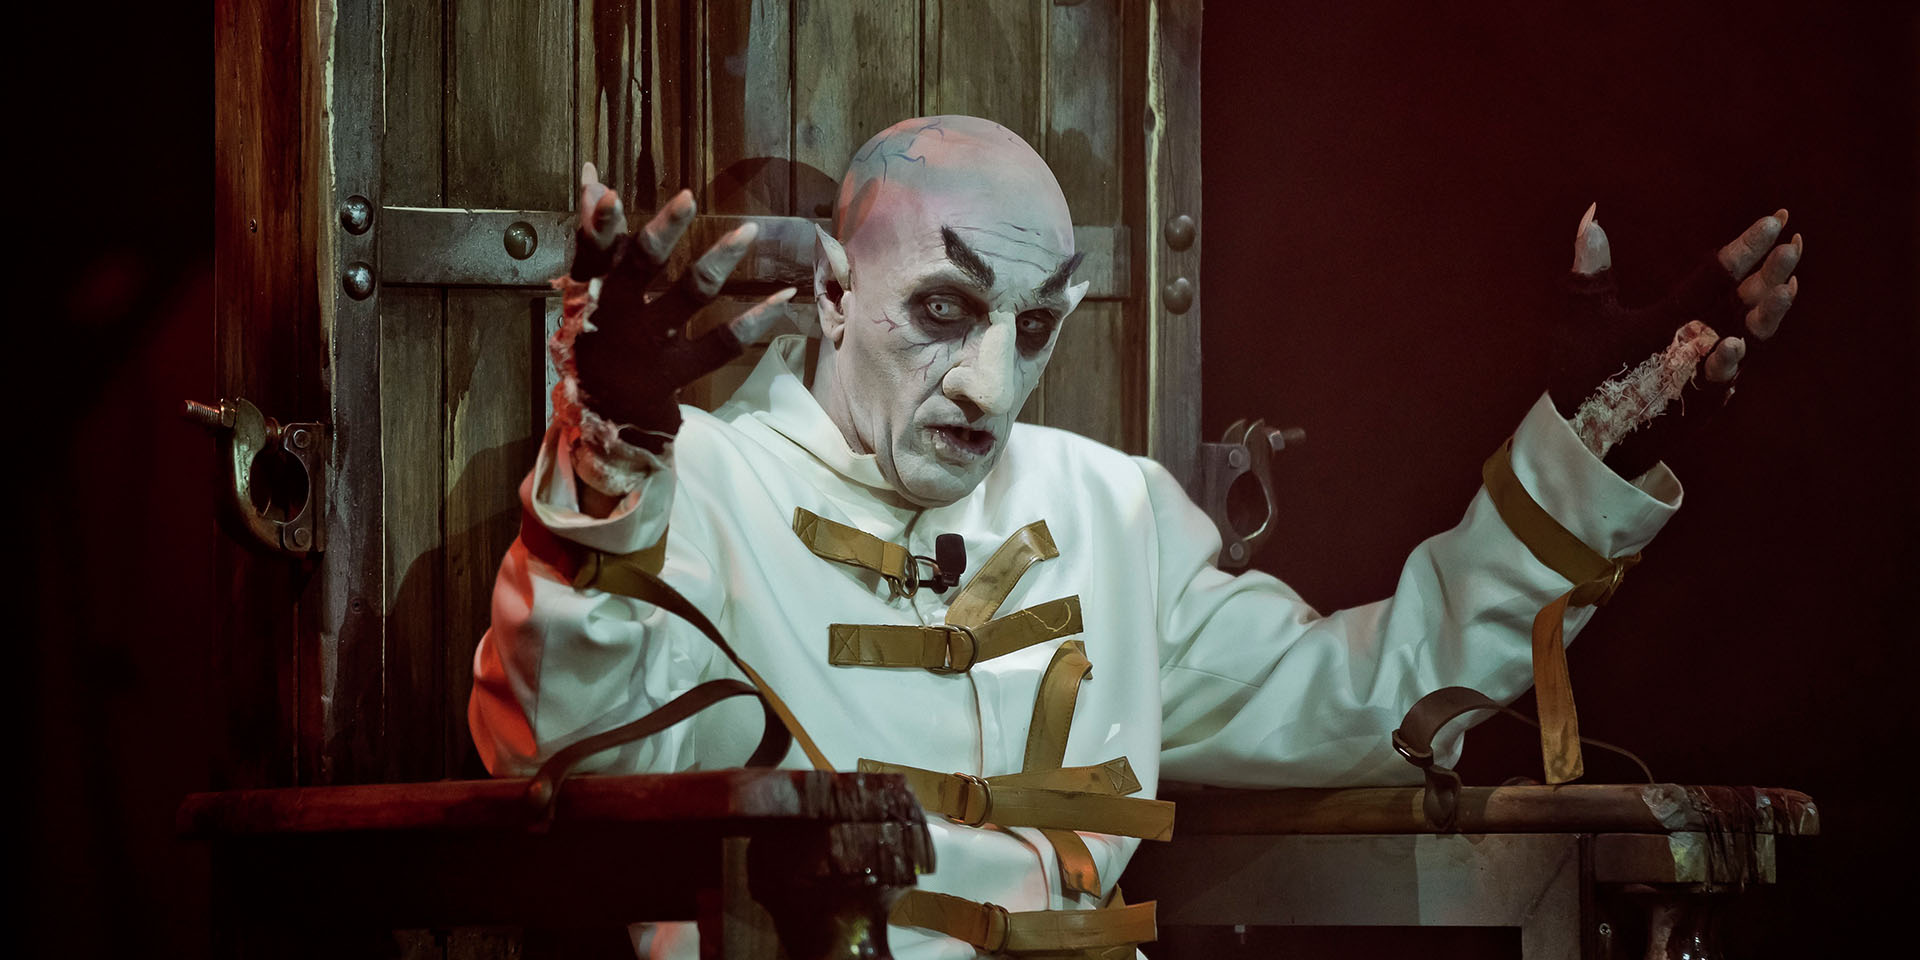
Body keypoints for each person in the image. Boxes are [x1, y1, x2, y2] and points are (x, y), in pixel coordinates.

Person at [469, 116, 1802, 960]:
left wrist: (1587, 439)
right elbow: (561, 754)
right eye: (945, 311)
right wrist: (612, 452)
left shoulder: (1107, 511)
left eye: (1034, 327)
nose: (991, 387)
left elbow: (1375, 697)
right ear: (831, 290)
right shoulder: (693, 491)